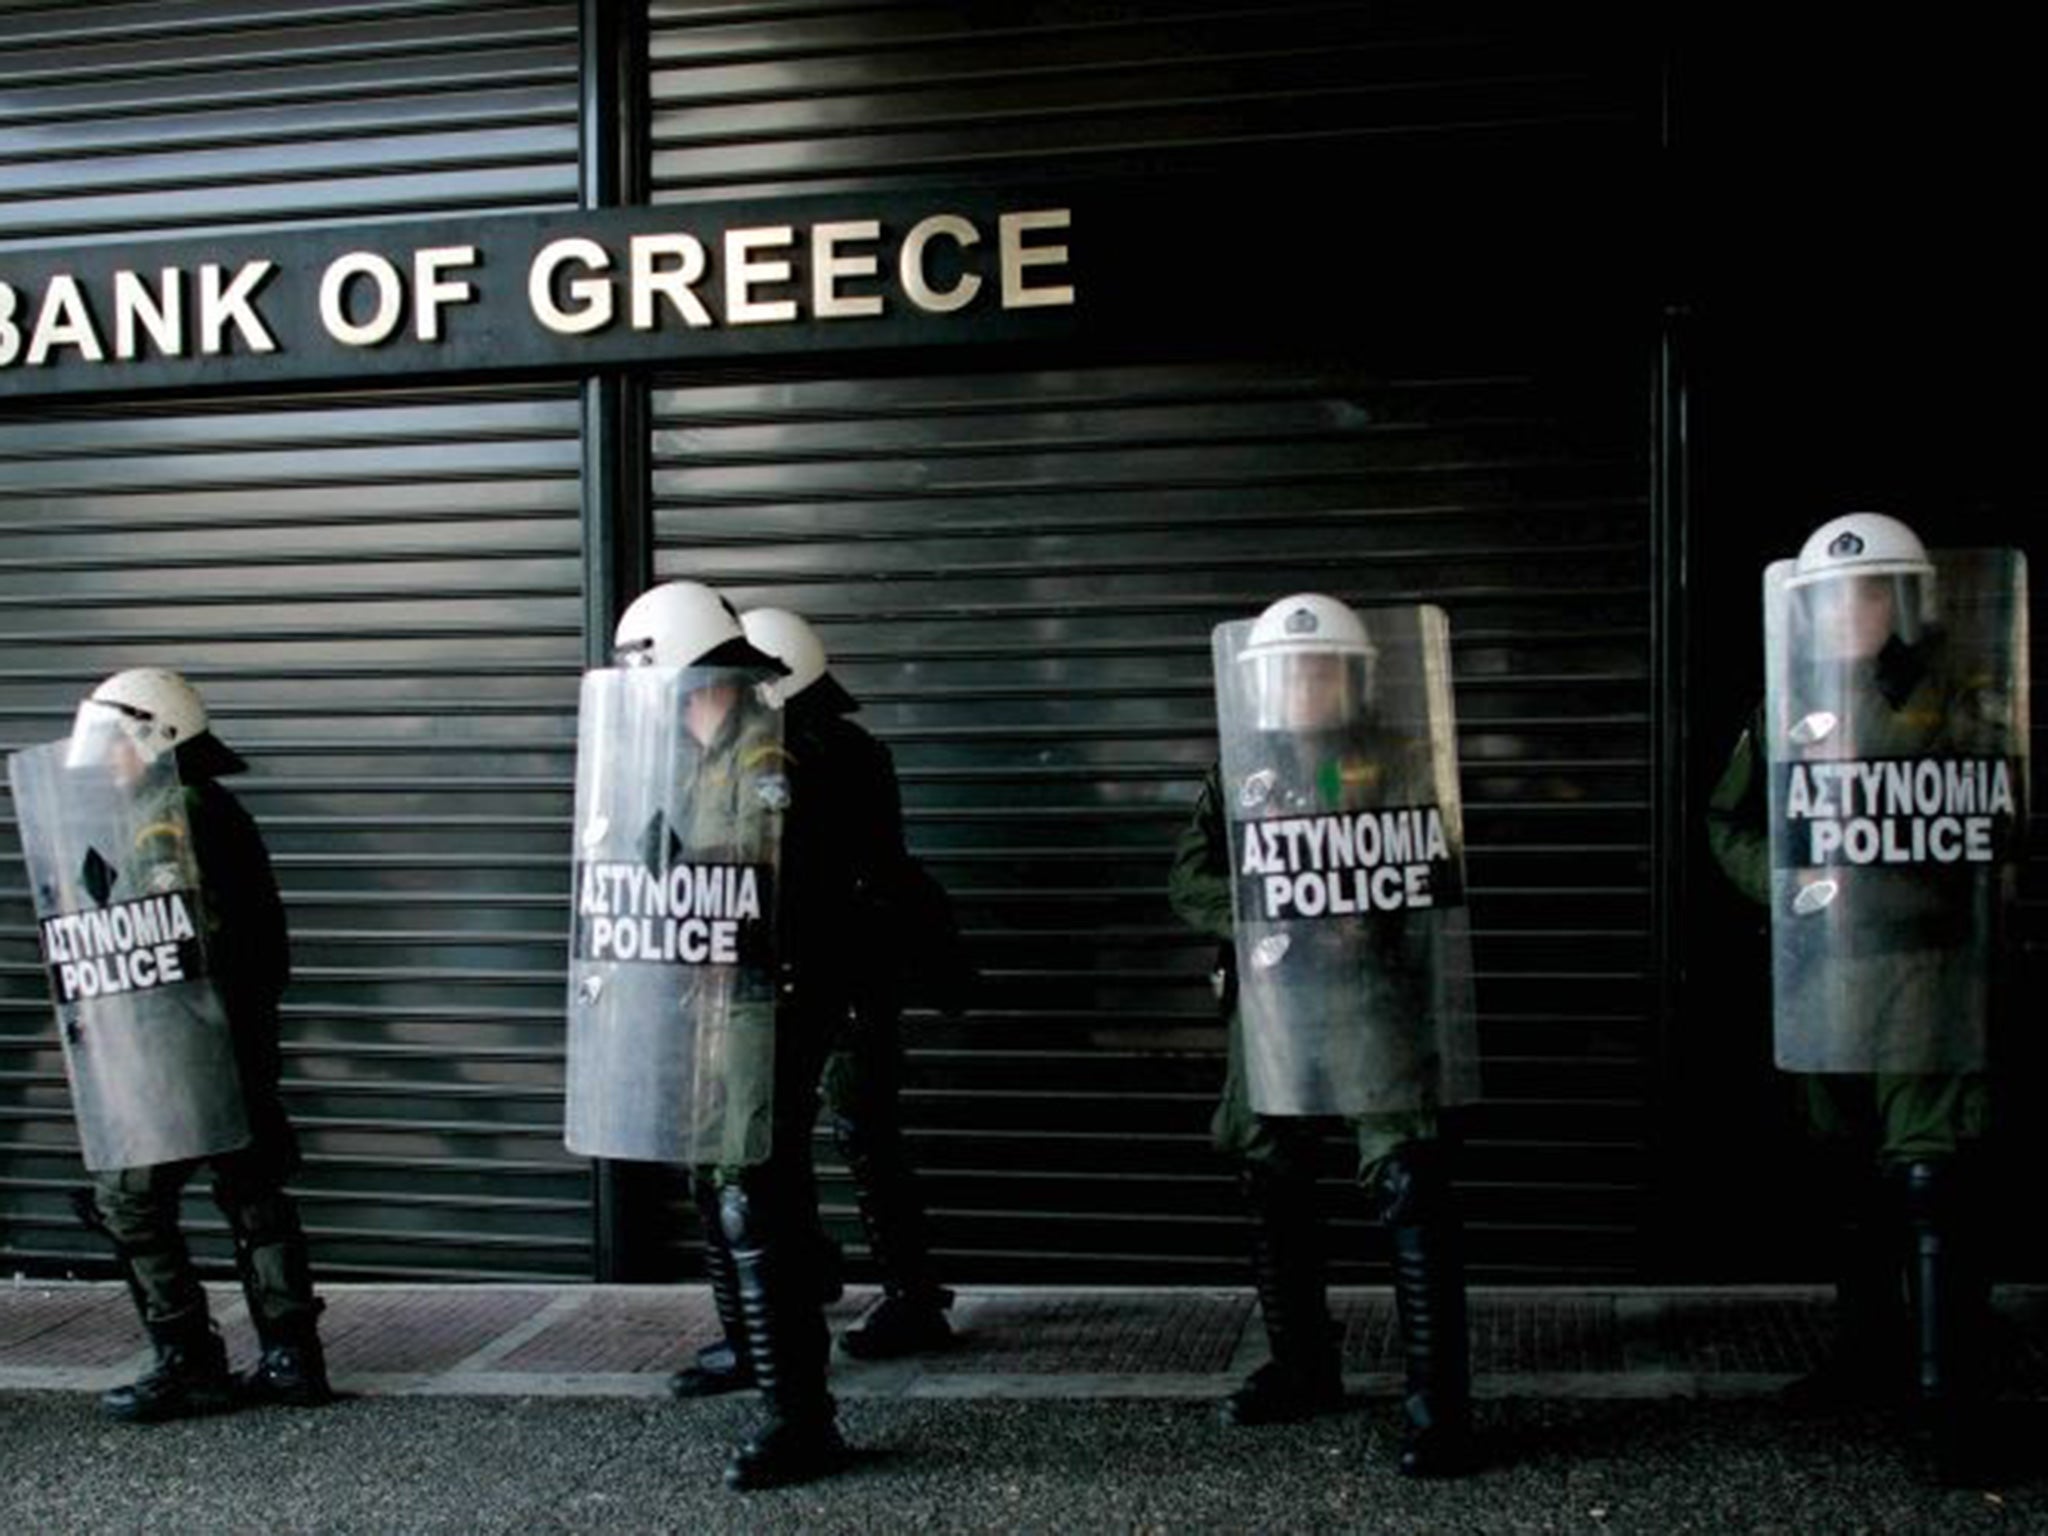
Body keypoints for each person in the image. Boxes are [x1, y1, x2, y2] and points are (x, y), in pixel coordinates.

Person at [1706, 511, 2025, 1484]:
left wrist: (1912, 877)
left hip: (1925, 975)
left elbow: (1997, 826)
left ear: (1903, 600)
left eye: (1869, 589)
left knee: (1928, 1179)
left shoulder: (1960, 702)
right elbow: (1729, 826)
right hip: (1825, 977)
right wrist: (1798, 891)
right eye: (1832, 594)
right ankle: (1865, 1359)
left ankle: (1946, 1409)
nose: (1850, 608)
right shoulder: (1781, 706)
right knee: (1845, 1182)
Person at [1168, 594, 1475, 1477]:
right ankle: (1304, 1367)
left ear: (1352, 677)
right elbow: (1189, 876)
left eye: (1319, 668)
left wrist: (1368, 913)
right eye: (1287, 671)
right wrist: (1263, 912)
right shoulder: (1243, 766)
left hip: (1375, 1003)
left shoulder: (1402, 759)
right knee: (1269, 1172)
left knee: (1411, 1182)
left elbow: (1438, 869)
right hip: (1271, 1002)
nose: (1303, 684)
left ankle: (1438, 1408)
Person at [602, 581, 847, 1490]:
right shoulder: (696, 757)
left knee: (755, 1194)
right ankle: (757, 1359)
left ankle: (801, 1418)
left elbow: (761, 882)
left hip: (766, 1007)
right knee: (719, 1180)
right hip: (707, 1005)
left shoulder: (767, 759)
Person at [44, 669, 329, 1421]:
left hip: (180, 1051)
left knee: (129, 1201)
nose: (105, 760)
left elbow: (174, 941)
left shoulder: (171, 818)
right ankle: (292, 1358)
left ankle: (188, 1363)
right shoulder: (211, 809)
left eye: (114, 743)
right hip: (236, 1044)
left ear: (152, 734)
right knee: (253, 1191)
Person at [741, 606, 970, 1360]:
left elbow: (832, 877)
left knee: (857, 1127)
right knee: (834, 1131)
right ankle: (834, 1279)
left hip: (843, 979)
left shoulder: (817, 759)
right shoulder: (837, 749)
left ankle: (911, 1299)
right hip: (837, 976)